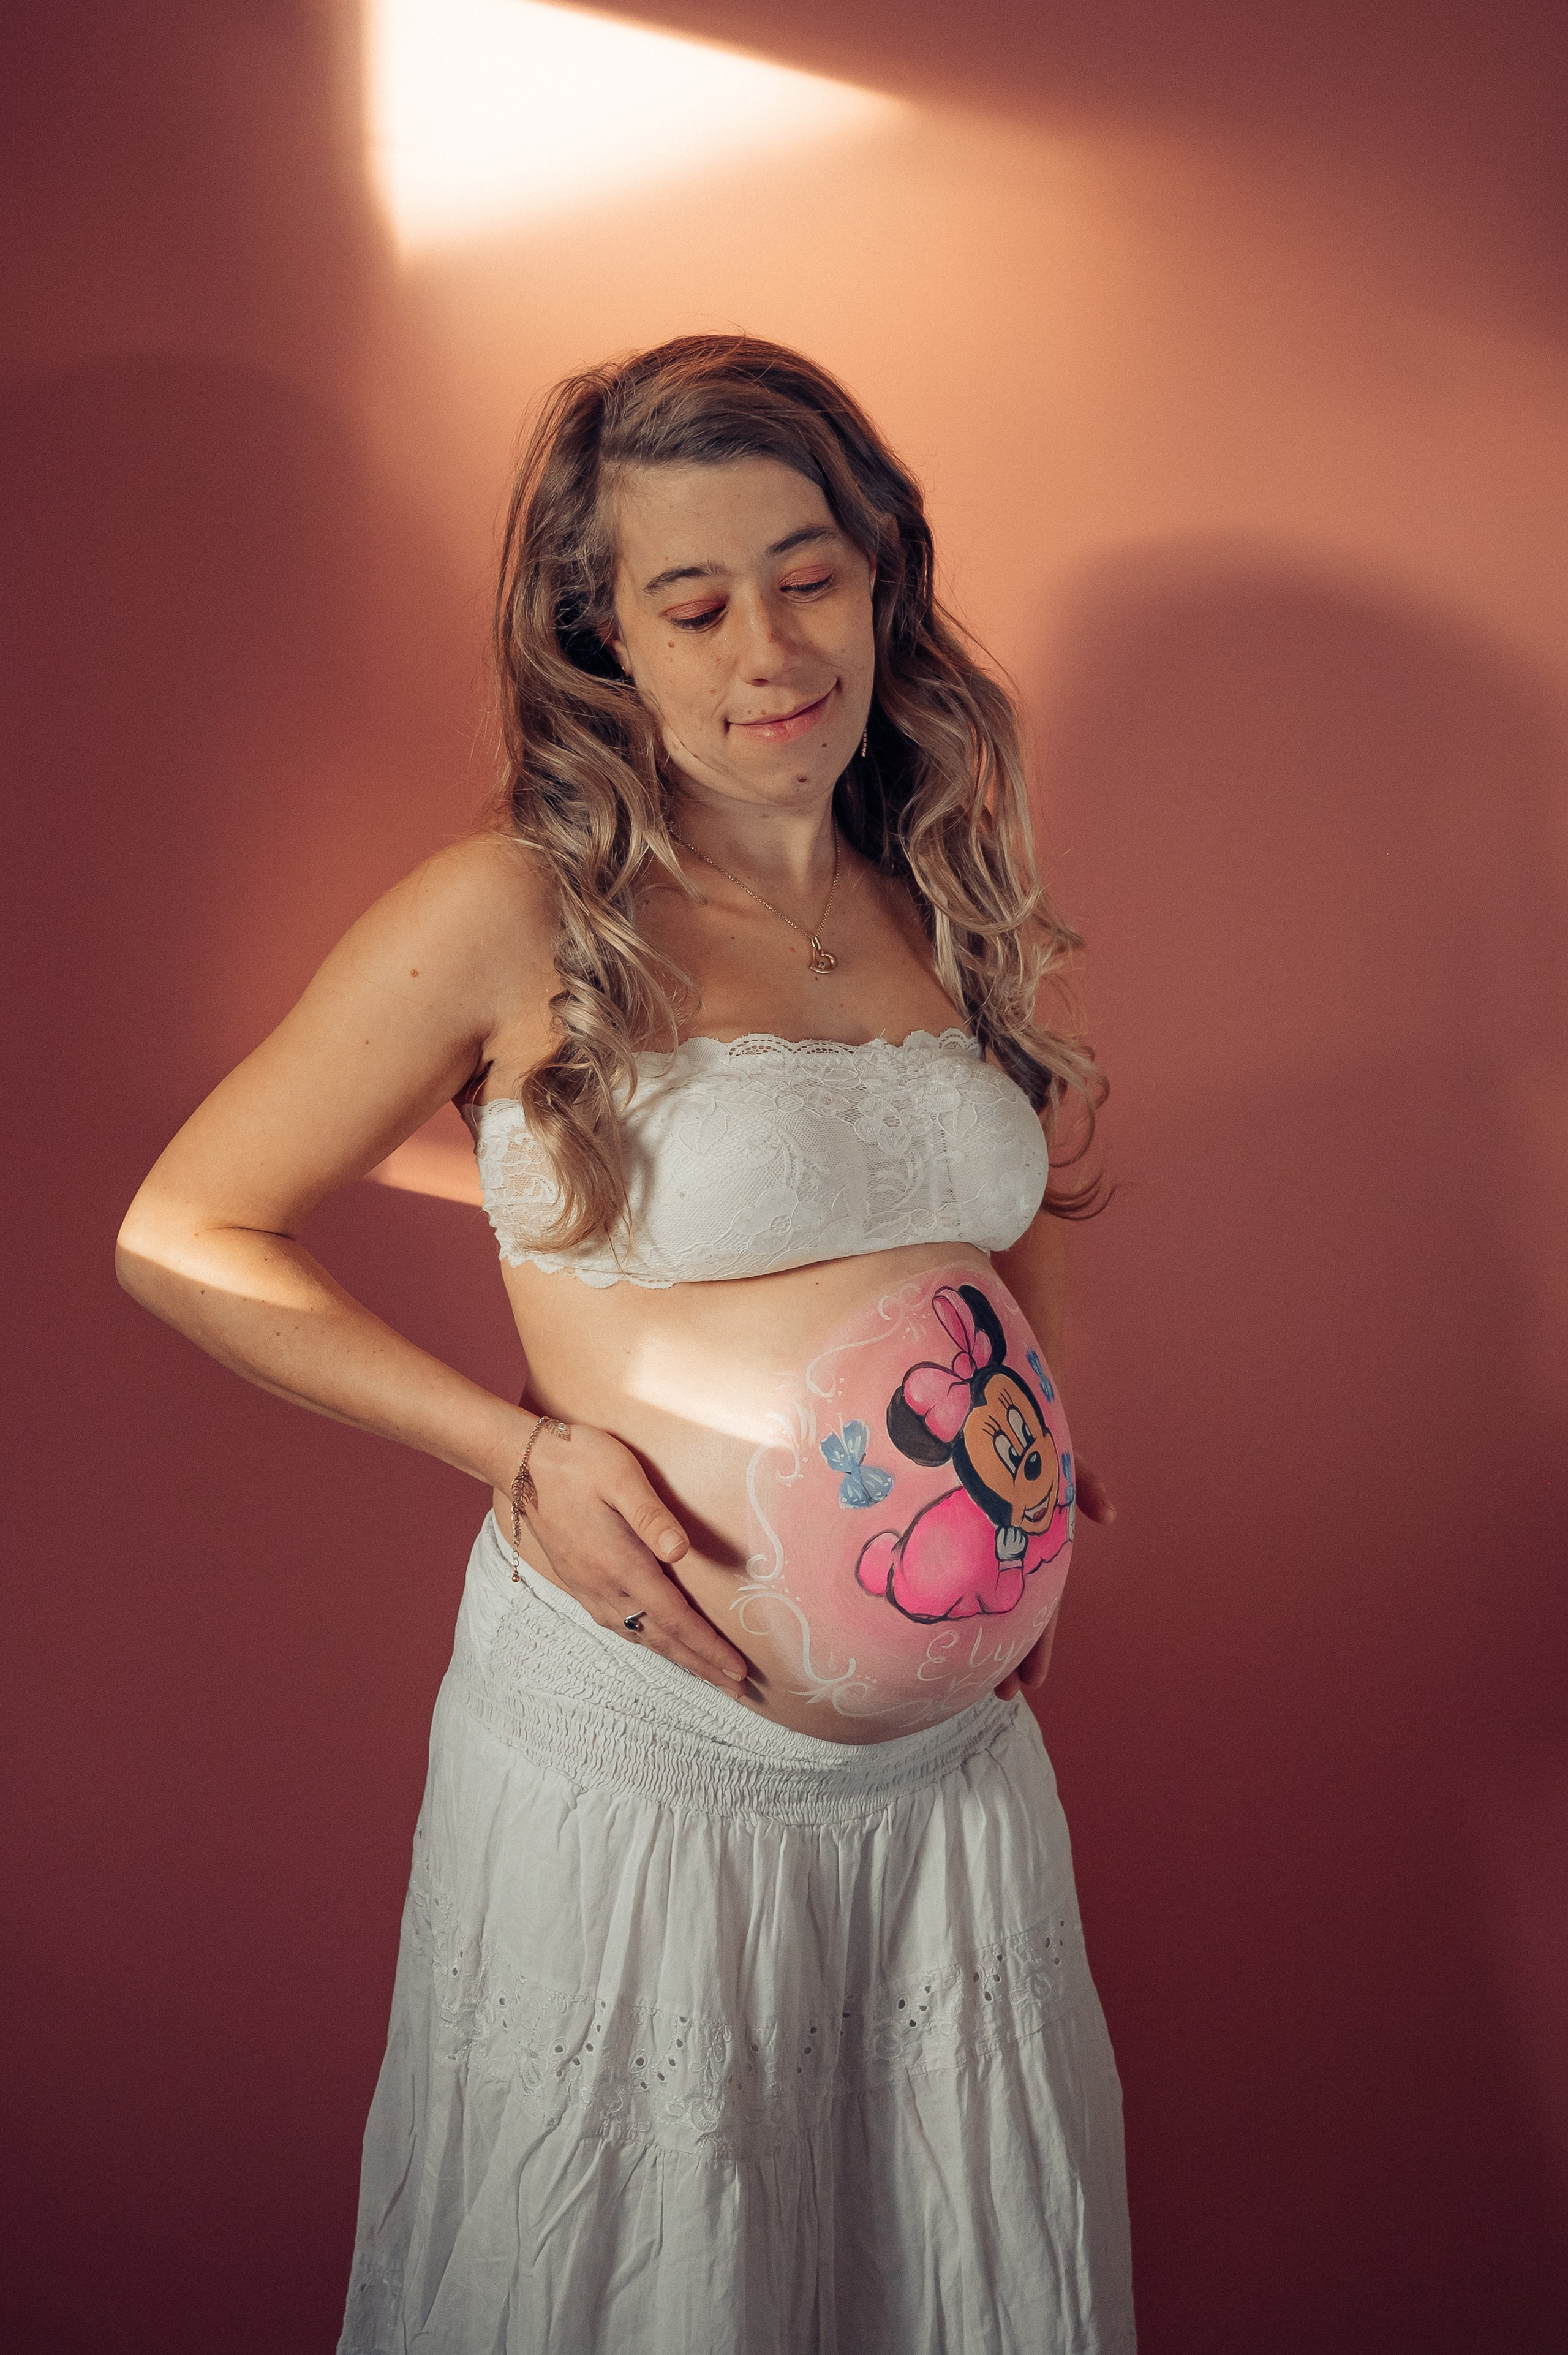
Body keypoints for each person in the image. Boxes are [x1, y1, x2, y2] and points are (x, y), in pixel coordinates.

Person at [118, 335, 1135, 2353]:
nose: (770, 643)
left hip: (951, 1791)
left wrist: (1022, 1443)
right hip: (653, 1781)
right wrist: (514, 1453)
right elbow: (185, 1229)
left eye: (809, 571)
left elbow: (979, 1227)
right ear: (607, 637)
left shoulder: (940, 878)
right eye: (692, 600)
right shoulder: (516, 907)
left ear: (881, 573)